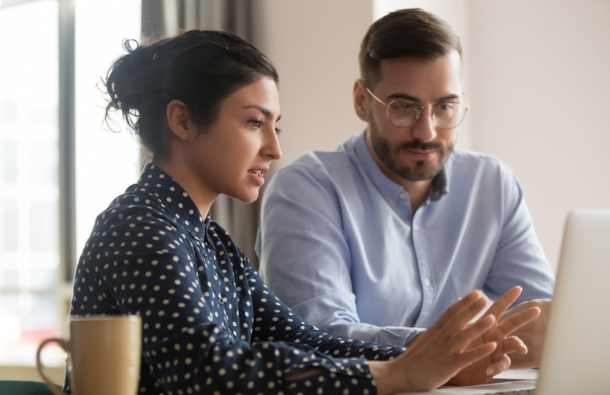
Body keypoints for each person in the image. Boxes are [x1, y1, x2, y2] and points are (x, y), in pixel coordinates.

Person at [63, 30, 540, 395]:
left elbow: (308, 341)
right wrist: (396, 374)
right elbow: (206, 373)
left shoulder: (211, 241)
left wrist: (436, 359)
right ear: (182, 120)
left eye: (275, 126)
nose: (274, 148)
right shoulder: (141, 226)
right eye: (254, 122)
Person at [256, 8, 555, 370]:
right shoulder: (305, 190)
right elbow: (319, 337)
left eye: (445, 107)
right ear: (361, 101)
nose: (426, 131)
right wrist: (450, 349)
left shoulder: (492, 184)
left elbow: (542, 322)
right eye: (404, 107)